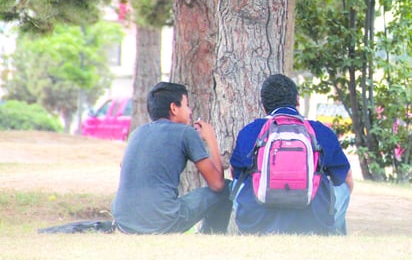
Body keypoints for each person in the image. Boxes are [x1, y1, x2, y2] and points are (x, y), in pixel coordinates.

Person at [230, 74, 353, 235]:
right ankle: (335, 234)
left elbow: (236, 173)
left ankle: (245, 229)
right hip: (313, 222)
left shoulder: (250, 131)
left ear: (264, 105)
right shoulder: (321, 131)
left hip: (257, 221)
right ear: (297, 101)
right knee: (342, 186)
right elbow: (345, 178)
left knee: (235, 183)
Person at [111, 82, 232, 234]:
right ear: (174, 108)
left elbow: (123, 164)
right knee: (227, 189)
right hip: (163, 221)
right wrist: (211, 139)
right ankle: (210, 237)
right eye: (187, 105)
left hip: (124, 221)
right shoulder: (186, 133)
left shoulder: (137, 133)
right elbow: (217, 185)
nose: (189, 111)